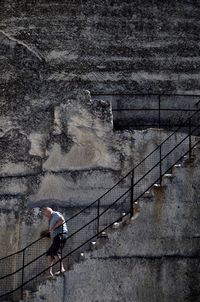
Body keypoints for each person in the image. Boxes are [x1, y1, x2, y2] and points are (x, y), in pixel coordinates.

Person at [42, 207, 68, 276]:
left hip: (61, 235)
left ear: (48, 212)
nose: (45, 216)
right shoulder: (50, 219)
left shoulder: (55, 214)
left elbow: (61, 220)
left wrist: (53, 228)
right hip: (56, 237)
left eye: (45, 214)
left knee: (56, 252)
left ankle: (61, 269)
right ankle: (49, 272)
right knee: (49, 254)